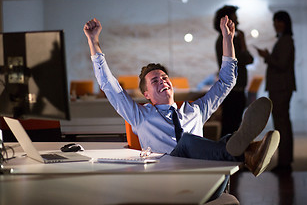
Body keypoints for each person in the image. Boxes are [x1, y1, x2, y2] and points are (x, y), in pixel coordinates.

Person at [83, 17, 279, 178]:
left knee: (195, 142)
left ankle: (245, 151)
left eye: (165, 78)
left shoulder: (195, 110)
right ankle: (247, 152)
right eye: (155, 81)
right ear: (146, 95)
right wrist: (94, 41)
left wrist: (228, 40)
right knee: (187, 142)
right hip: (165, 177)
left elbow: (226, 82)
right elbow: (109, 85)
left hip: (203, 177)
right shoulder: (140, 116)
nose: (162, 81)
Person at [256, 11, 296, 172]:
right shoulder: (284, 40)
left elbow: (282, 64)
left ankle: (285, 163)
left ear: (285, 23)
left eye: (278, 21)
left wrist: (267, 56)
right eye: (275, 21)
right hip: (282, 87)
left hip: (281, 87)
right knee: (283, 123)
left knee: (282, 125)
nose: (276, 24)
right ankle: (285, 161)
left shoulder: (285, 41)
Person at [214, 5, 254, 137]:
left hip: (234, 88)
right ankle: (227, 156)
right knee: (231, 127)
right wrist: (243, 42)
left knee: (231, 126)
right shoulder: (228, 40)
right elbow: (247, 58)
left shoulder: (223, 40)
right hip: (233, 89)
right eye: (235, 19)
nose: (238, 22)